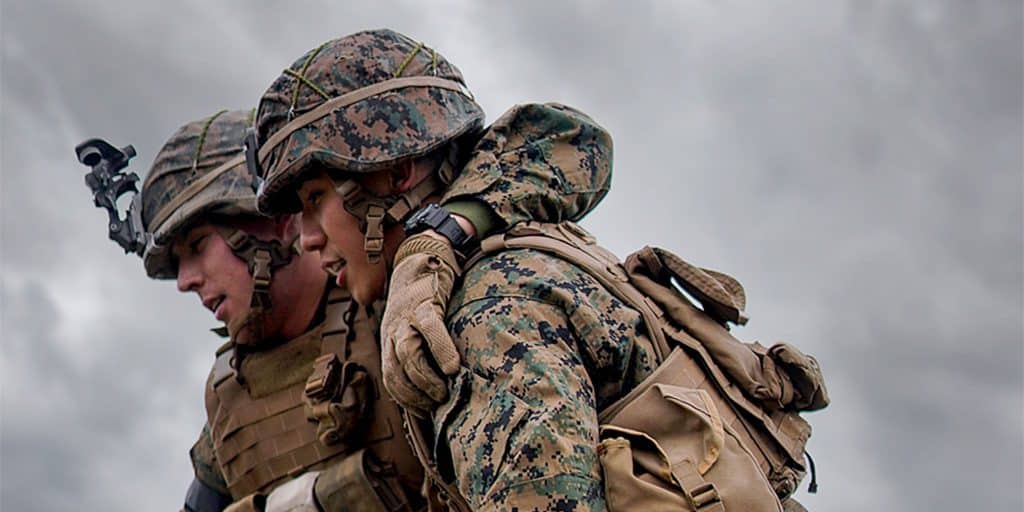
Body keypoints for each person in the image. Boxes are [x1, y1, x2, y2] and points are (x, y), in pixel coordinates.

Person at [247, 29, 828, 512]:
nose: (306, 238)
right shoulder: (507, 251)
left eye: (314, 198)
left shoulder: (486, 311)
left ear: (392, 175)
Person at [81, 79, 609, 512]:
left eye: (197, 247)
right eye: (176, 264)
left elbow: (562, 138)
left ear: (270, 223)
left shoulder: (406, 304)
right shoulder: (229, 405)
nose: (186, 280)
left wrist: (445, 237)